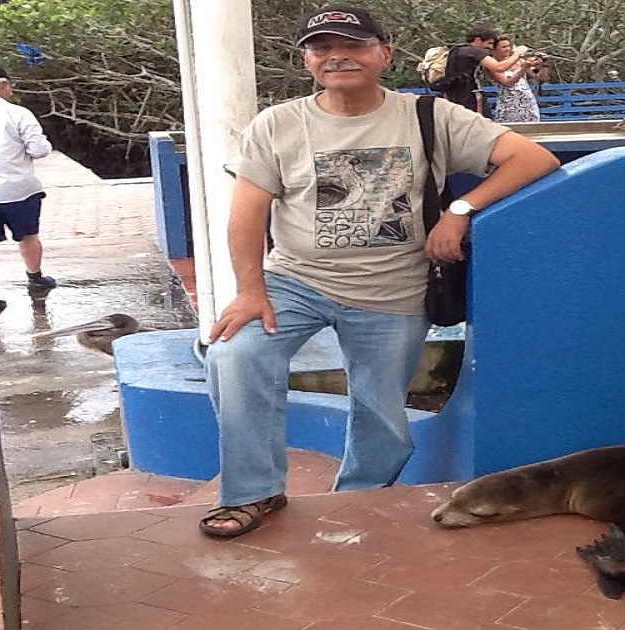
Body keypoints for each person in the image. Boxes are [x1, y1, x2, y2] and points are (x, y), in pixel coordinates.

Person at [198, 5, 560, 537]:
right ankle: (254, 491)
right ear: (306, 60)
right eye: (322, 48)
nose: (337, 56)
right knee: (235, 357)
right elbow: (246, 214)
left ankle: (358, 501)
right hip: (295, 280)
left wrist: (459, 213)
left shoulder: (430, 116)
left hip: (393, 290)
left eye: (354, 45)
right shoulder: (278, 124)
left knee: (382, 412)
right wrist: (250, 290)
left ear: (384, 55)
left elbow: (534, 158)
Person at [0, 64, 57, 313]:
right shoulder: (17, 113)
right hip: (17, 190)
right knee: (28, 234)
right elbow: (38, 150)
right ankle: (36, 278)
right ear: (1, 86)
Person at [438, 25, 526, 117]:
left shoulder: (457, 50)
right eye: (489, 43)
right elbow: (499, 67)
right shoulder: (473, 51)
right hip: (468, 99)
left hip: (453, 97)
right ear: (477, 40)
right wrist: (517, 54)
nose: (491, 47)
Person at [485, 36, 541, 123]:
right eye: (504, 47)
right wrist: (524, 68)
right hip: (508, 105)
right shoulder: (493, 65)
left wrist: (543, 65)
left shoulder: (519, 61)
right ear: (494, 49)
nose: (507, 49)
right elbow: (507, 83)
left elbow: (538, 76)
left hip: (527, 103)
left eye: (509, 46)